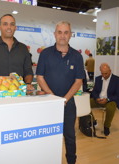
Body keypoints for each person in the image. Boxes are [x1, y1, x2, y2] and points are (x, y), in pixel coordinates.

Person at [36, 21, 84, 164]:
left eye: (66, 32)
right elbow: (40, 77)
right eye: (59, 32)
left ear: (70, 35)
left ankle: (71, 161)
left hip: (68, 104)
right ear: (54, 34)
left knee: (69, 136)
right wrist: (54, 98)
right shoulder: (45, 54)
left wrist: (64, 99)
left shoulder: (77, 56)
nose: (62, 36)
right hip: (48, 103)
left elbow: (78, 81)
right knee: (48, 135)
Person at [90, 63, 119, 136]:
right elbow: (94, 91)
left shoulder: (117, 80)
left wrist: (107, 99)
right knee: (85, 104)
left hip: (110, 100)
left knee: (111, 107)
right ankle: (93, 121)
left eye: (106, 73)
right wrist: (97, 98)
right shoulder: (98, 79)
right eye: (102, 73)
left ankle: (106, 126)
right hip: (99, 100)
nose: (104, 75)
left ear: (110, 71)